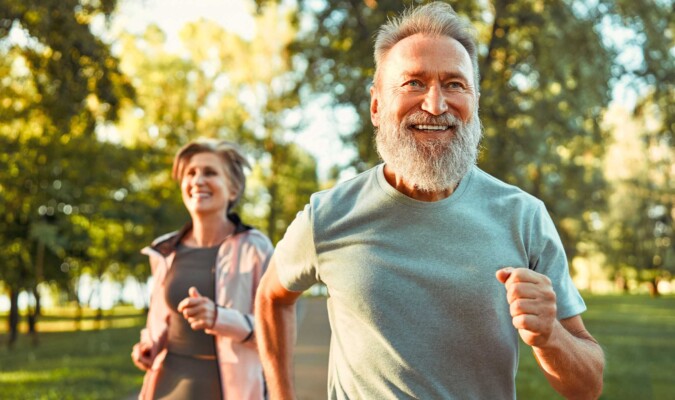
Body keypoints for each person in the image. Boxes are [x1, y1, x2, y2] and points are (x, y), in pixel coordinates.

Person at [255, 2, 604, 399]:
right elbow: (271, 297)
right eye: (413, 83)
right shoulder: (328, 216)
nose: (436, 105)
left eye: (454, 84)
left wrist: (551, 337)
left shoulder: (523, 217)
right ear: (375, 106)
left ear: (474, 102)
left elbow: (587, 388)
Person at [131, 138, 273, 399]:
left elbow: (275, 330)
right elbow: (161, 321)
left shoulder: (256, 247)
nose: (197, 181)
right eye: (190, 173)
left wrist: (219, 318)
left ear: (233, 189)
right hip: (167, 385)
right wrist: (149, 345)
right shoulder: (165, 250)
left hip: (231, 389)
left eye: (210, 172)